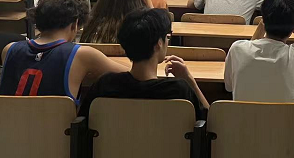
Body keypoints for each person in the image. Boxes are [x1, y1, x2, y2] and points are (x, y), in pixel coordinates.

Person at [78, 8, 208, 119]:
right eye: (167, 37)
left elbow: (83, 123)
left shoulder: (105, 85)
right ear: (159, 43)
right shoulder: (179, 91)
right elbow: (211, 124)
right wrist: (189, 80)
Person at [0, 0, 127, 102]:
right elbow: (131, 75)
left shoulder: (9, 49)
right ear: (75, 24)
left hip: (7, 122)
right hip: (55, 123)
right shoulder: (82, 55)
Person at [223, 0, 294, 102]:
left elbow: (229, 86)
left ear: (263, 20)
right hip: (285, 114)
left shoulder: (237, 49)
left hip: (242, 114)